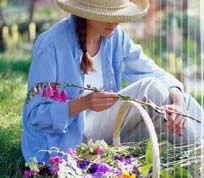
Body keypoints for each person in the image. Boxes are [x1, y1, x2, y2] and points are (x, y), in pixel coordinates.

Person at [21, 0, 204, 168]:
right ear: (88, 11)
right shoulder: (52, 44)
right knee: (152, 89)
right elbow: (35, 116)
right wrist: (82, 104)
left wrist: (178, 103)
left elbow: (152, 71)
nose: (115, 22)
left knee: (174, 102)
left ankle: (198, 158)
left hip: (105, 135)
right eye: (108, 15)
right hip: (68, 140)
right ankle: (200, 157)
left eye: (119, 14)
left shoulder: (115, 37)